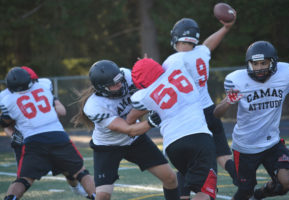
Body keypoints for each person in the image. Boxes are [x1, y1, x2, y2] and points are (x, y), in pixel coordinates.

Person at [71, 60, 179, 200]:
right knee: (103, 195)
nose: (120, 85)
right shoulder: (95, 106)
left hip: (135, 141)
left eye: (120, 80)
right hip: (108, 146)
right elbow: (129, 129)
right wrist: (152, 121)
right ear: (102, 88)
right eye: (114, 85)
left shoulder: (126, 76)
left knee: (170, 178)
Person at [162, 14, 237, 199]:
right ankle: (243, 182)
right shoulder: (201, 53)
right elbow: (209, 44)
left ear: (175, 37)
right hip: (210, 109)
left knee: (188, 162)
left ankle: (185, 195)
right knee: (223, 155)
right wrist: (225, 28)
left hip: (190, 115)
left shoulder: (172, 61)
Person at [213, 41, 289, 200]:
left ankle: (262, 193)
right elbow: (217, 113)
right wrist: (228, 101)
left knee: (286, 183)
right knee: (245, 190)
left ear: (272, 62)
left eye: (263, 63)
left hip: (272, 143)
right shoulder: (237, 80)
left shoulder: (284, 74)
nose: (259, 68)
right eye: (255, 63)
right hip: (245, 147)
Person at [127, 58, 217, 200]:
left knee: (189, 185)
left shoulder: (143, 95)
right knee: (206, 192)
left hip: (173, 146)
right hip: (199, 137)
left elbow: (131, 117)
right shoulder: (178, 66)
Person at [0, 67, 96, 200]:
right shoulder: (44, 86)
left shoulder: (7, 100)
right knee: (81, 172)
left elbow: (5, 122)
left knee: (24, 180)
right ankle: (96, 196)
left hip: (32, 141)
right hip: (57, 135)